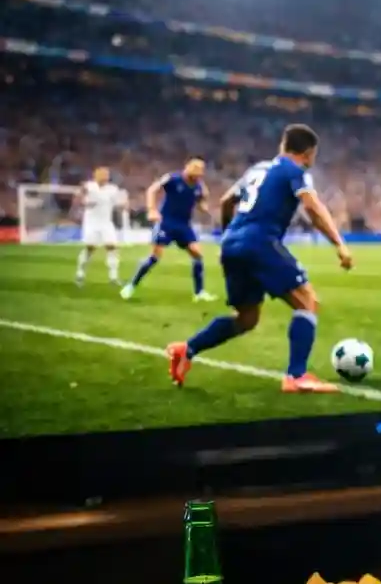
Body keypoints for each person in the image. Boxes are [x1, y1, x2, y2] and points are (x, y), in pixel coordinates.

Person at [166, 124, 352, 394]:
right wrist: (340, 244)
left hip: (232, 244)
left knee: (246, 318)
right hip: (260, 242)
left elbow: (227, 201)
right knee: (308, 302)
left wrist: (228, 234)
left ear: (283, 145)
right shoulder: (295, 170)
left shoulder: (257, 170)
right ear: (309, 153)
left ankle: (187, 349)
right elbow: (312, 206)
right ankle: (296, 376)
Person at [122, 157, 215, 302]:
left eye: (201, 171)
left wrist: (204, 205)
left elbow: (202, 201)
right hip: (166, 222)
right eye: (197, 170)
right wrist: (152, 210)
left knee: (197, 255)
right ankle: (130, 286)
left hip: (184, 225)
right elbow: (152, 190)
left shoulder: (198, 186)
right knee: (155, 257)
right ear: (189, 168)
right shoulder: (173, 178)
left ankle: (199, 293)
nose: (199, 174)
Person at [74, 165, 126, 286]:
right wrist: (83, 199)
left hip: (106, 223)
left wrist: (123, 205)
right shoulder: (88, 186)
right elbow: (78, 200)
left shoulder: (112, 189)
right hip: (91, 223)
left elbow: (118, 203)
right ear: (96, 175)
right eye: (103, 174)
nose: (105, 177)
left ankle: (113, 277)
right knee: (90, 249)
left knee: (112, 247)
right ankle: (80, 274)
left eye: (107, 175)